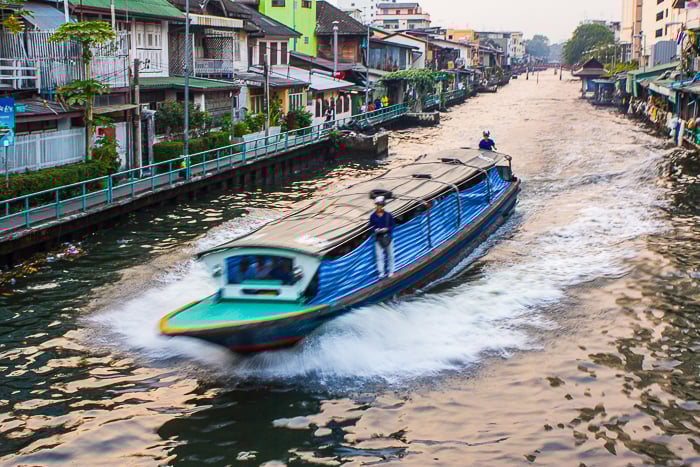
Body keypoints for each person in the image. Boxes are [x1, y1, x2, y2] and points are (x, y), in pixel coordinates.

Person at [369, 196, 395, 279]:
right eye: (377, 205)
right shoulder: (372, 216)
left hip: (388, 237)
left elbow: (392, 226)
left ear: (383, 205)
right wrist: (375, 230)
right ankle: (381, 273)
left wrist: (387, 229)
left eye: (380, 205)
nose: (379, 206)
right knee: (379, 256)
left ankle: (391, 271)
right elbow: (371, 227)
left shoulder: (388, 215)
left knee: (390, 255)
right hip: (378, 238)